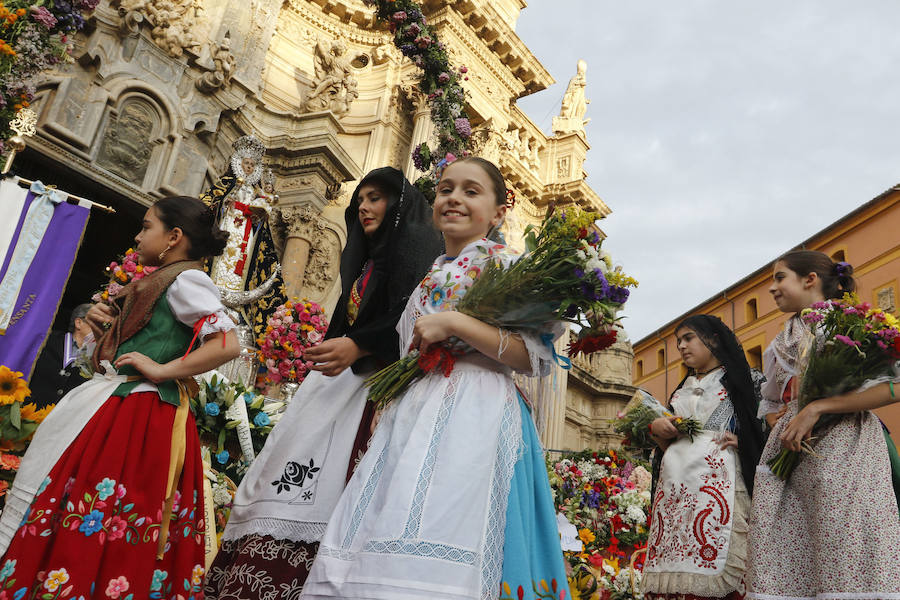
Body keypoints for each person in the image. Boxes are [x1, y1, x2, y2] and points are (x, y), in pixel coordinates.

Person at [300, 157, 572, 600]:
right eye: (446, 189)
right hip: (414, 410)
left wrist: (456, 324)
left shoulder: (507, 266)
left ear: (499, 212)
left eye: (471, 191)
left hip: (476, 408)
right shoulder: (431, 275)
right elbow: (411, 348)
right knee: (387, 513)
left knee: (449, 518)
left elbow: (532, 358)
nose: (454, 199)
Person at [204, 167, 443, 597]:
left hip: (375, 393)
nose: (365, 207)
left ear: (401, 207)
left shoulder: (419, 262)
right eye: (360, 201)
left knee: (336, 489)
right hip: (337, 390)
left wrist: (360, 346)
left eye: (376, 198)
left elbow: (412, 318)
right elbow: (347, 323)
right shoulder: (367, 264)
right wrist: (331, 348)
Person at [0, 196, 240, 597]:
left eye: (147, 226)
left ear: (173, 237)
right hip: (118, 404)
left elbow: (227, 343)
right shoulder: (158, 279)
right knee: (82, 500)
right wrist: (101, 330)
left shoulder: (186, 279)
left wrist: (162, 370)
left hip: (140, 414)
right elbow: (125, 349)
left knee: (107, 506)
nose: (137, 234)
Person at [747, 250, 900, 597]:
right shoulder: (778, 343)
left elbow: (893, 388)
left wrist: (817, 409)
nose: (772, 288)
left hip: (848, 448)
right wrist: (782, 425)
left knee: (845, 542)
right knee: (791, 546)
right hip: (794, 454)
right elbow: (770, 402)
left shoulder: (851, 323)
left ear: (810, 280)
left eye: (779, 277)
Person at [642, 315, 765, 600]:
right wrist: (657, 430)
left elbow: (766, 425)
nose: (681, 347)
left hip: (719, 485)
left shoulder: (747, 381)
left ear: (713, 339)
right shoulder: (681, 389)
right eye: (677, 342)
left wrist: (743, 441)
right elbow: (664, 447)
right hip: (675, 490)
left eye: (688, 338)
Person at [27, 303, 95, 409]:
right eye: (97, 323)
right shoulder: (47, 340)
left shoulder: (97, 358)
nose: (103, 330)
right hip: (26, 412)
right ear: (79, 323)